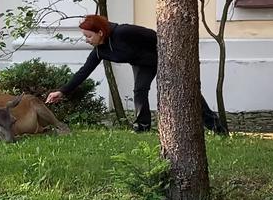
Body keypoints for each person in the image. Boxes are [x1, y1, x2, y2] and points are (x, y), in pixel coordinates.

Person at [45, 14, 227, 134]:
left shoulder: (123, 32)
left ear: (100, 32)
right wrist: (62, 91)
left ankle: (216, 127)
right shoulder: (100, 51)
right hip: (142, 64)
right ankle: (142, 126)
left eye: (88, 36)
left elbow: (155, 36)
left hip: (165, 58)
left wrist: (172, 56)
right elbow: (84, 71)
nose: (86, 40)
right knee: (139, 91)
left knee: (185, 90)